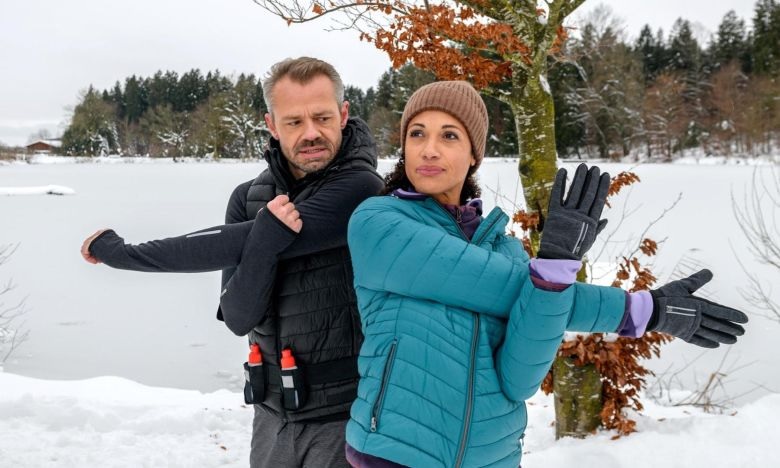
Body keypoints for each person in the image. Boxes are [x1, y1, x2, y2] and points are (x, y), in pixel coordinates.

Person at [343, 80, 748, 467]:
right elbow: (505, 287)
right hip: (394, 455)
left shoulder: (503, 247)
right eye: (417, 134)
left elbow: (518, 381)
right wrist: (636, 308)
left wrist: (554, 278)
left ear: (474, 156)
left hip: (492, 459)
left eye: (449, 136)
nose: (429, 150)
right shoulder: (379, 223)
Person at [81, 57, 385, 468]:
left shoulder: (361, 189)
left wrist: (125, 254)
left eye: (322, 117)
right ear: (272, 125)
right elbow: (240, 317)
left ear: (344, 115)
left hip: (345, 420)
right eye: (294, 122)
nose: (311, 133)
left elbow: (234, 242)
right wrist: (264, 240)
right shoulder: (247, 198)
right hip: (271, 415)